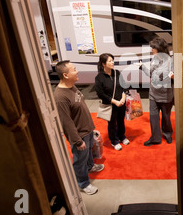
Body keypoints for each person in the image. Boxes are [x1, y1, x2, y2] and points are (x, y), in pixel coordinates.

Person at [54, 60, 104, 195]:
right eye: (74, 69)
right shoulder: (60, 97)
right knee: (79, 159)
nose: (77, 71)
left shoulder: (72, 86)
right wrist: (77, 141)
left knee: (88, 153)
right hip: (79, 135)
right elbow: (66, 122)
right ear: (65, 75)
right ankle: (83, 183)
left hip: (87, 129)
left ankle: (90, 166)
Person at [138, 37, 174, 146]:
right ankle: (155, 138)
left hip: (166, 96)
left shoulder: (170, 61)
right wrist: (142, 67)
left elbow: (175, 77)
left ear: (159, 48)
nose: (151, 49)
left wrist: (173, 77)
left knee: (166, 118)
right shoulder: (154, 59)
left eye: (153, 47)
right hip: (153, 94)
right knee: (153, 117)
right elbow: (151, 74)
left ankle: (167, 134)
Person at [94, 53, 129, 151]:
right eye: (110, 61)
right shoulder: (99, 78)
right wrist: (115, 102)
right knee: (112, 123)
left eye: (112, 60)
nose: (112, 62)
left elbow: (124, 86)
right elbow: (101, 94)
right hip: (110, 105)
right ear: (103, 64)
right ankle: (114, 141)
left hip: (121, 103)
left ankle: (122, 136)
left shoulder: (117, 73)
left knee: (121, 121)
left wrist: (123, 99)